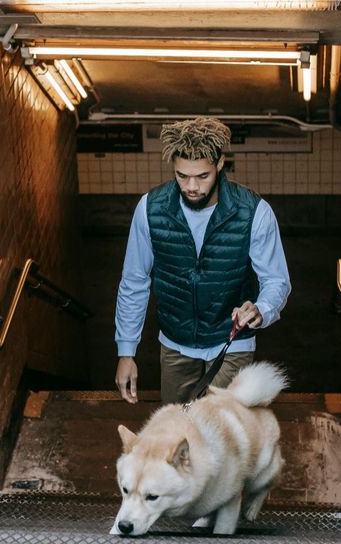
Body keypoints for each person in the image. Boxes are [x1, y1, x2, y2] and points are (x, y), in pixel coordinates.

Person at [114, 117, 291, 404]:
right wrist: (126, 352)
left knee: (223, 433)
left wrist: (262, 308)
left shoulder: (254, 212)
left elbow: (276, 280)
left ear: (220, 163)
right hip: (175, 343)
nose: (192, 186)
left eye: (203, 176)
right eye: (182, 176)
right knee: (178, 433)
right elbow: (134, 281)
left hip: (232, 342)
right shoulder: (150, 209)